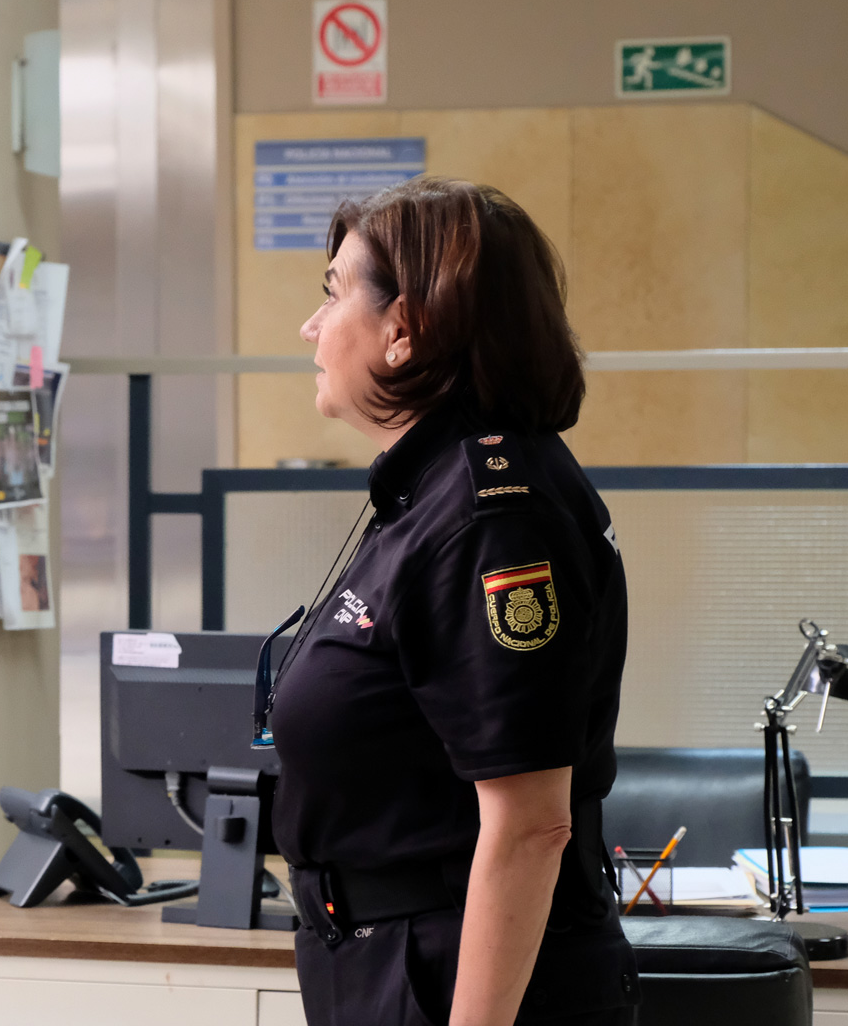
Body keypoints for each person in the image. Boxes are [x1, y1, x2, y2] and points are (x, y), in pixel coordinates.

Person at [265, 177, 638, 1025]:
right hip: (392, 960)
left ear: (404, 330)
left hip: (453, 977)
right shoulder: (433, 493)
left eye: (333, 294)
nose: (312, 327)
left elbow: (532, 825)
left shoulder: (491, 517)